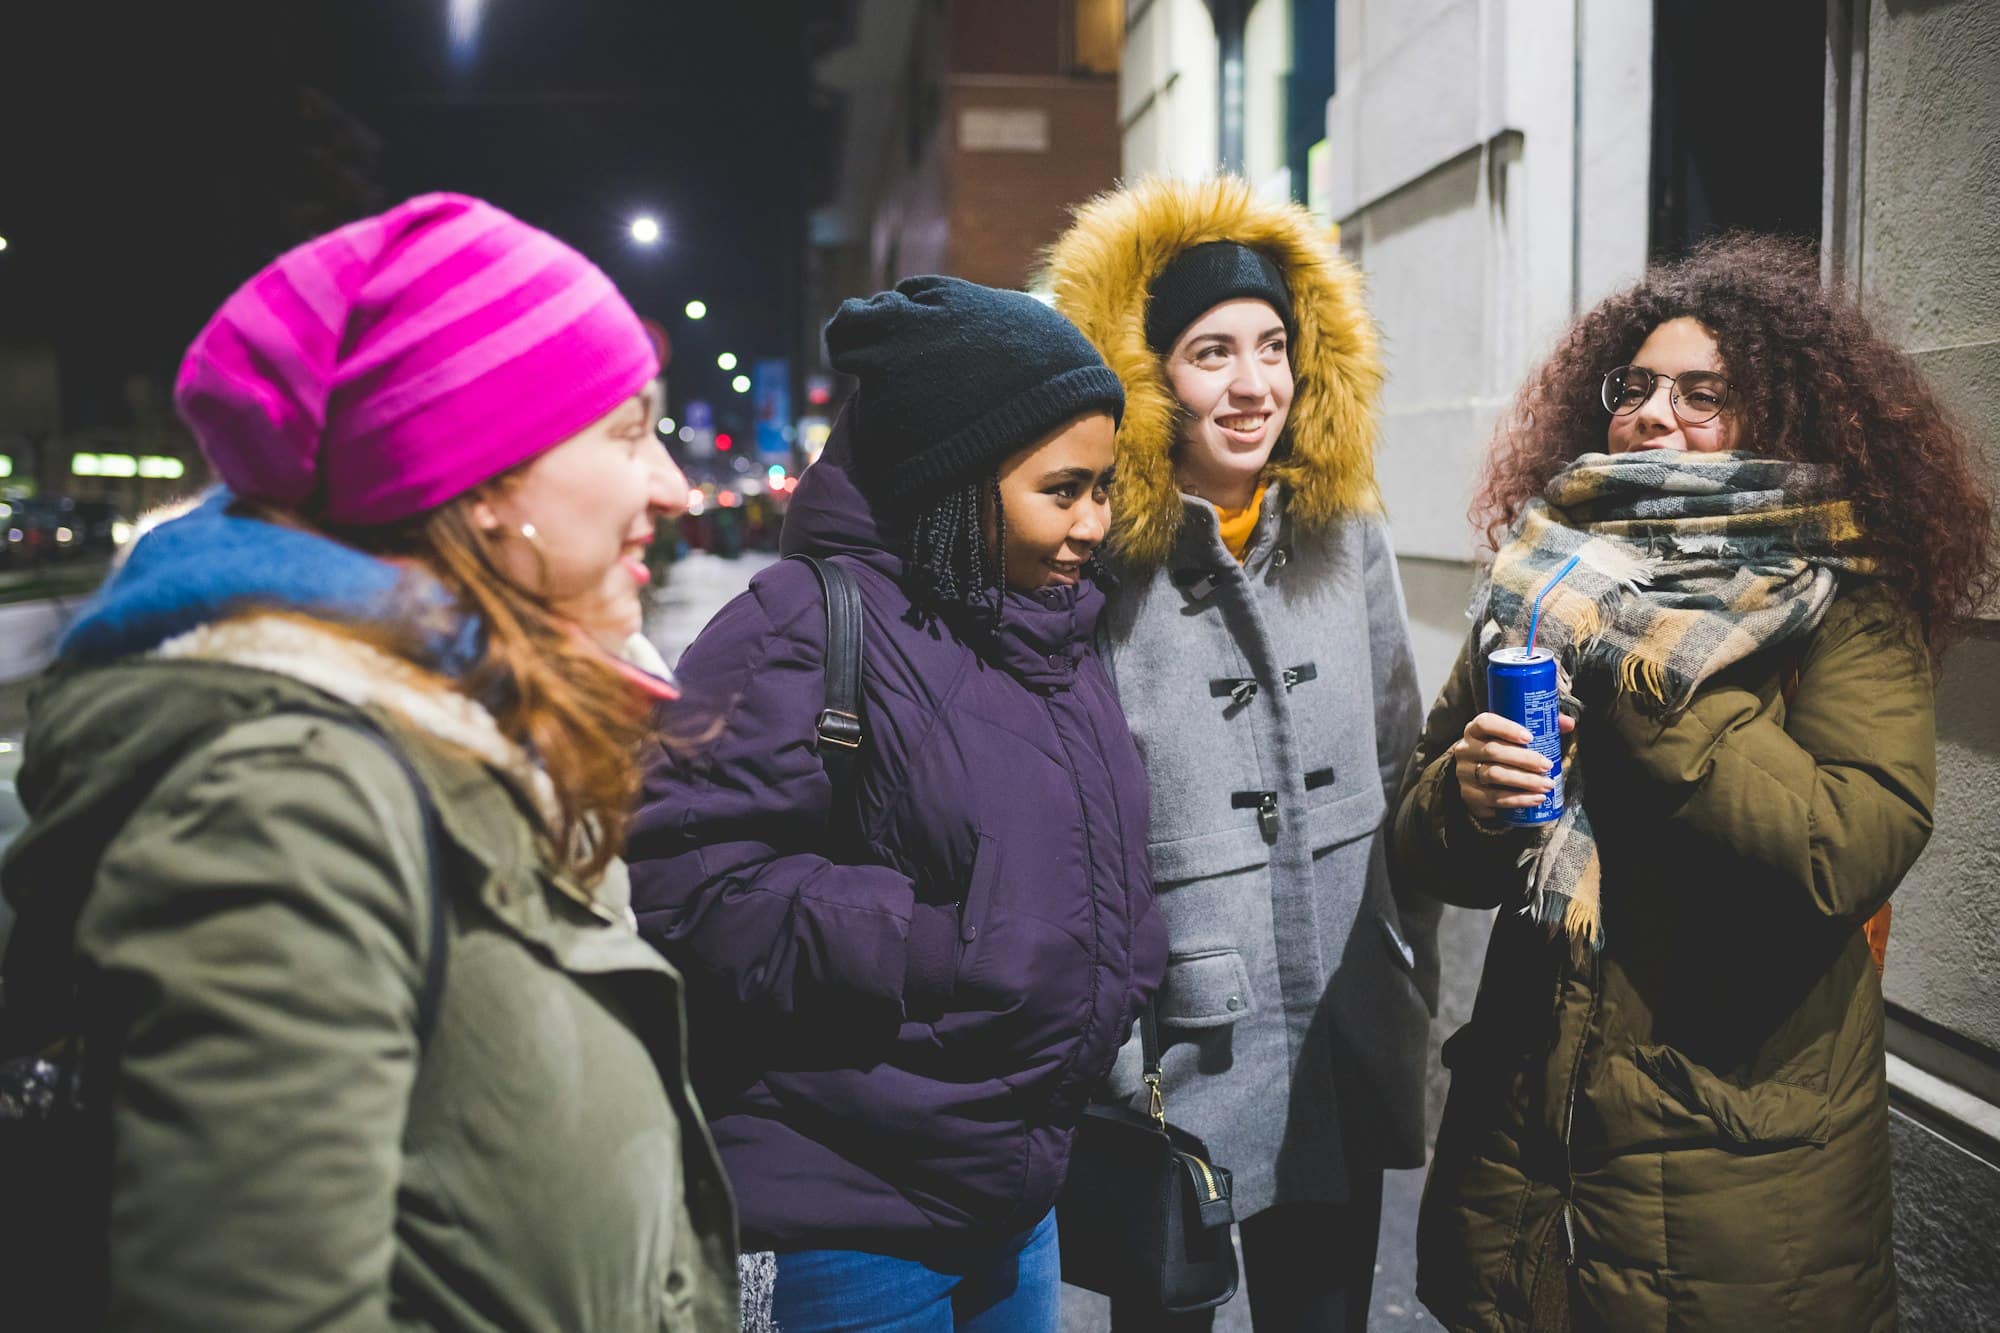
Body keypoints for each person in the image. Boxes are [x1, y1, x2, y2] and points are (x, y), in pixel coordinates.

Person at [0, 193, 737, 1330]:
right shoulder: (297, 802)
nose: (674, 488)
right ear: (484, 477)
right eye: (628, 432)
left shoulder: (478, 736)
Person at [1390, 234, 1995, 1331]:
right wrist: (1463, 798)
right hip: (1528, 1155)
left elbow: (1837, 851)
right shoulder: (1541, 578)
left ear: (1780, 419)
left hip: (1734, 1176)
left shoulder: (1844, 600)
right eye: (1635, 387)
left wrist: (1638, 655)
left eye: (1702, 393)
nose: (1653, 415)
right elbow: (1421, 837)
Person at [625, 275, 1167, 1333]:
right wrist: (929, 947)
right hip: (843, 1215)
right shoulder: (791, 626)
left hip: (1012, 1194)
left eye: (1103, 487)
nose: (1093, 523)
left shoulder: (1049, 631)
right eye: (1063, 490)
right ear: (954, 480)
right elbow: (690, 886)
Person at [1044, 174, 1434, 1330]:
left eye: (1272, 347)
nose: (1254, 384)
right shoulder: (1099, 559)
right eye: (1212, 352)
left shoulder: (1344, 528)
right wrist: (1112, 1051)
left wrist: (1399, 960)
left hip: (1341, 1021)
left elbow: (1398, 749)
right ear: (1146, 372)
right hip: (1180, 1045)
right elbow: (1076, 827)